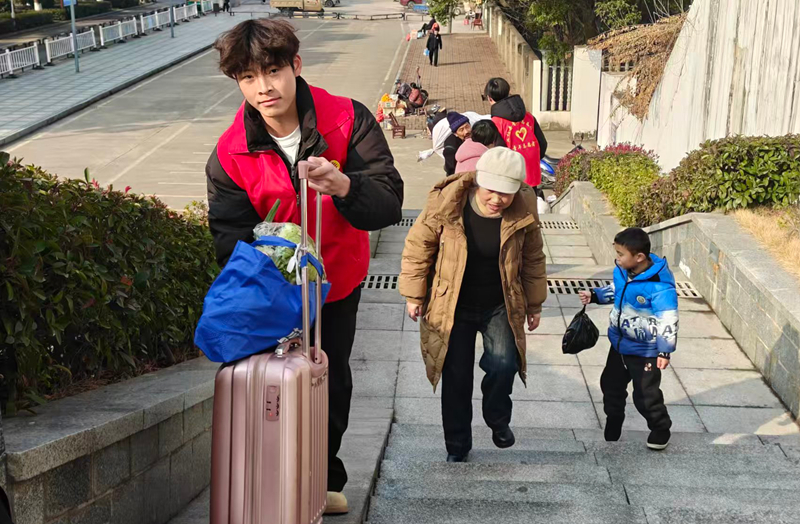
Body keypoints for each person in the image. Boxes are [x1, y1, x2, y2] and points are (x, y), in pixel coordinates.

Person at [205, 19, 404, 515]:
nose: (263, 87)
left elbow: (388, 203)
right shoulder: (230, 153)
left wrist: (344, 186)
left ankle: (322, 480)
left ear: (296, 65)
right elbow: (230, 238)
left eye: (272, 71)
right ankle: (271, 483)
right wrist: (267, 285)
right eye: (248, 77)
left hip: (336, 281)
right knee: (268, 386)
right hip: (272, 294)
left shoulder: (347, 119)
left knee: (329, 380)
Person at [399, 147, 547, 462]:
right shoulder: (446, 203)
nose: (498, 199)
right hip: (453, 305)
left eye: (506, 193)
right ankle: (457, 445)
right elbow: (418, 247)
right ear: (479, 180)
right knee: (456, 376)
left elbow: (533, 258)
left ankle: (497, 417)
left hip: (499, 303)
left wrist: (534, 304)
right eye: (491, 190)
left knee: (503, 364)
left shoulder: (524, 208)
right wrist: (414, 294)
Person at [578, 228, 678, 450]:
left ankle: (660, 427)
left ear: (639, 257)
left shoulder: (660, 286)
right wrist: (595, 296)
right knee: (610, 385)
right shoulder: (623, 271)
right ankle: (614, 419)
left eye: (621, 254)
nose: (617, 258)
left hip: (646, 350)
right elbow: (618, 290)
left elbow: (668, 318)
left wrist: (664, 350)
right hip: (620, 344)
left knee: (645, 395)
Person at [484, 78, 547, 191]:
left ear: (490, 98)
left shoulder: (496, 123)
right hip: (532, 175)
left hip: (511, 179)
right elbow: (542, 144)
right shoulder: (529, 117)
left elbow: (500, 152)